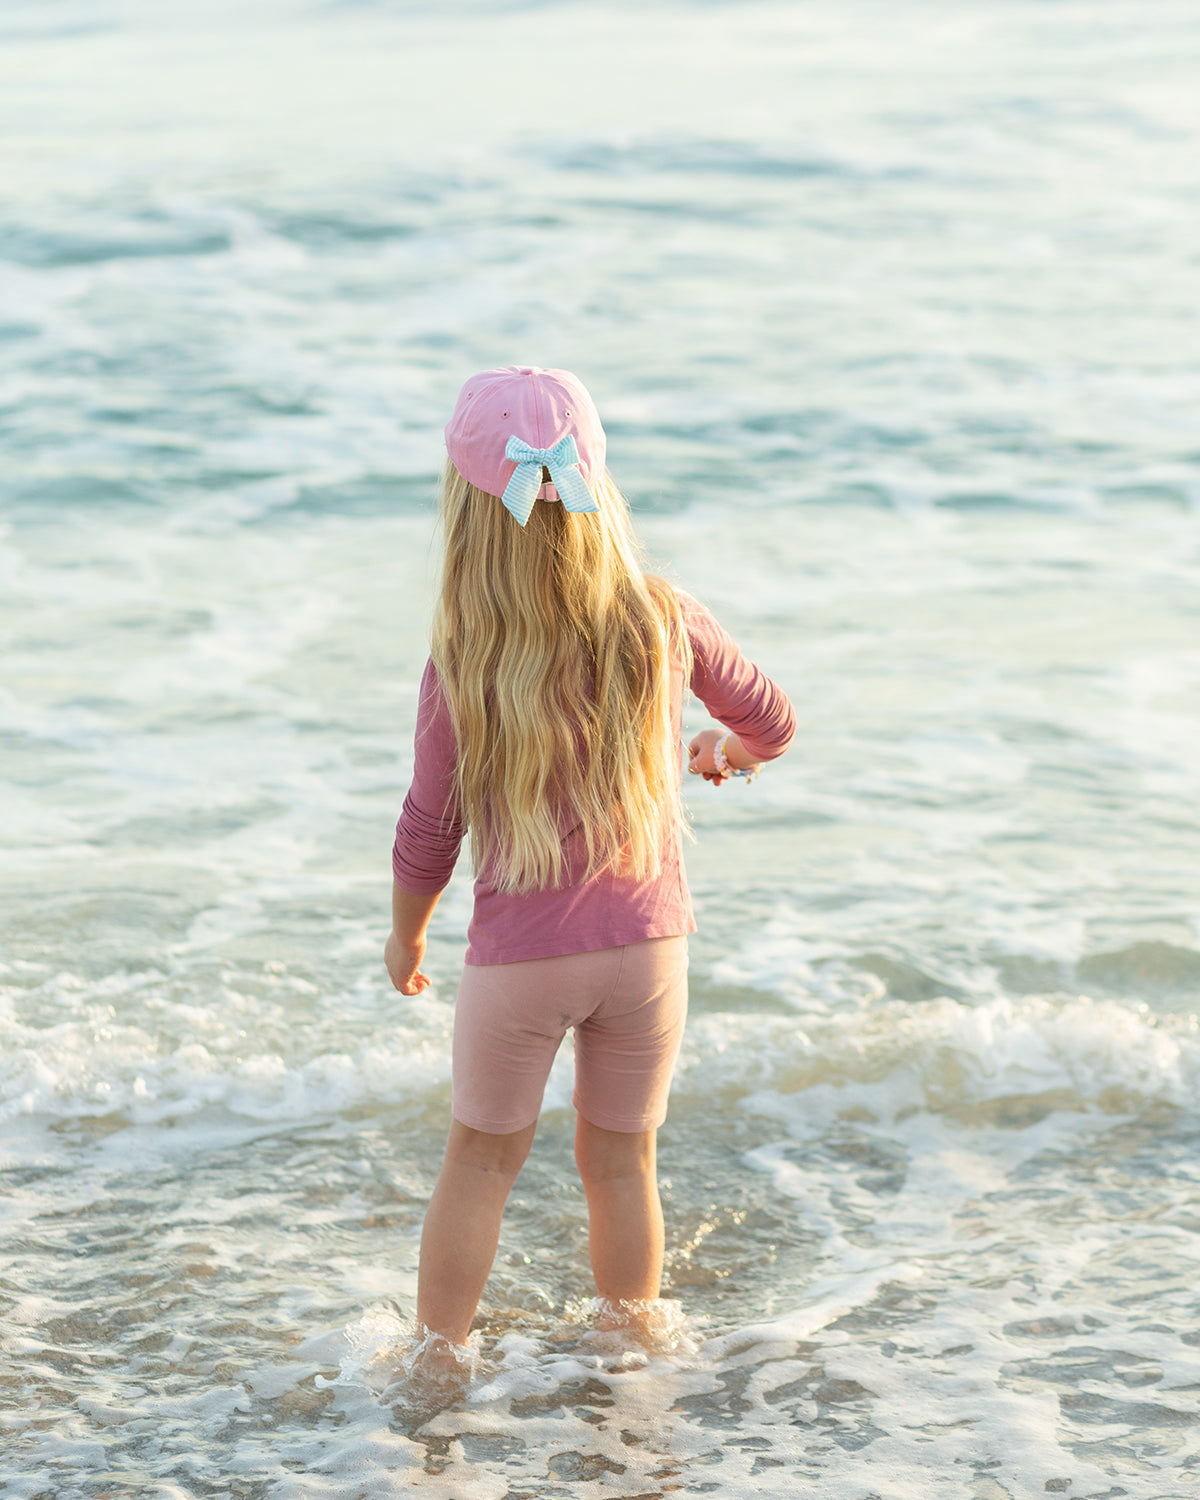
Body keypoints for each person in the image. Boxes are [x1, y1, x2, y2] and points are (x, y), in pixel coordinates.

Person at [385, 365, 794, 1360]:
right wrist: (724, 752)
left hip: (521, 962)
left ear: (468, 513)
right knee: (623, 1164)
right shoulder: (661, 617)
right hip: (649, 948)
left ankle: (438, 1364)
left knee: (480, 1165)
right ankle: (635, 1352)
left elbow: (428, 827)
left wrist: (408, 934)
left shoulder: (467, 659)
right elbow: (770, 722)